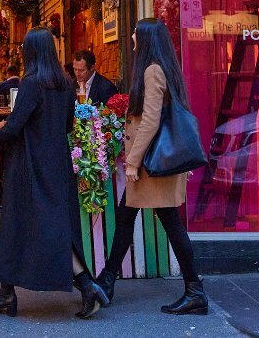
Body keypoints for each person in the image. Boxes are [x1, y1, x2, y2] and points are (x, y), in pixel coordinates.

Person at [0, 27, 109, 319]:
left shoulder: (31, 84)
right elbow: (66, 125)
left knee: (18, 225)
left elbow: (15, 124)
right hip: (57, 163)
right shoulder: (65, 84)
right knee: (53, 225)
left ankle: (83, 286)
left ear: (31, 51)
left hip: (29, 164)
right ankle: (8, 293)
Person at [97, 18, 208, 315]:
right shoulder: (162, 68)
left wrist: (132, 162)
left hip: (151, 164)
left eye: (135, 32)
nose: (132, 35)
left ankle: (195, 291)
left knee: (169, 224)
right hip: (157, 163)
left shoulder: (152, 70)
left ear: (145, 38)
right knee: (127, 218)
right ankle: (107, 280)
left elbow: (151, 119)